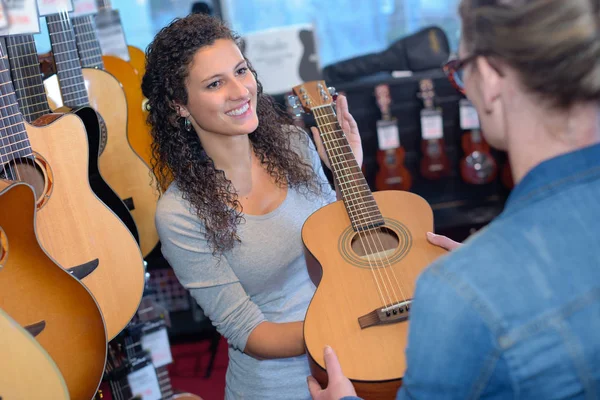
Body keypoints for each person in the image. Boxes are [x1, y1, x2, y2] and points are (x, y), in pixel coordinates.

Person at [309, 0, 600, 399]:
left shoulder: (459, 294)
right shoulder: (470, 284)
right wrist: (492, 266)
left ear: (491, 78)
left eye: (459, 70)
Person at [140, 13, 366, 399]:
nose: (240, 91)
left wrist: (350, 175)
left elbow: (343, 248)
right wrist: (348, 323)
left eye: (241, 71)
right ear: (180, 105)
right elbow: (250, 334)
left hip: (359, 357)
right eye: (215, 83)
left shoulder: (295, 144)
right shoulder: (179, 214)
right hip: (281, 385)